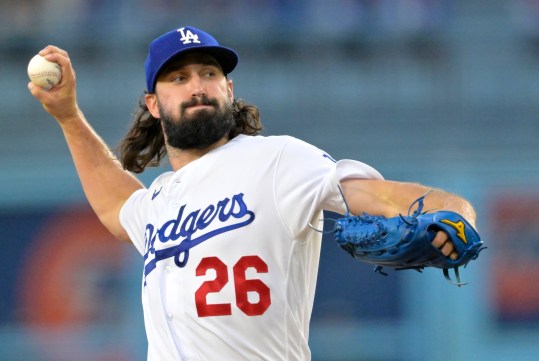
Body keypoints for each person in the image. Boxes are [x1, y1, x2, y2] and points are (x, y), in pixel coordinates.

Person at [29, 26, 477, 361]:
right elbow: (116, 206)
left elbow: (382, 196)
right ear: (152, 103)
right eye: (179, 78)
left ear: (229, 89)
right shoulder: (160, 202)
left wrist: (455, 212)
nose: (198, 85)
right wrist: (68, 117)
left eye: (209, 73)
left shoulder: (278, 160)